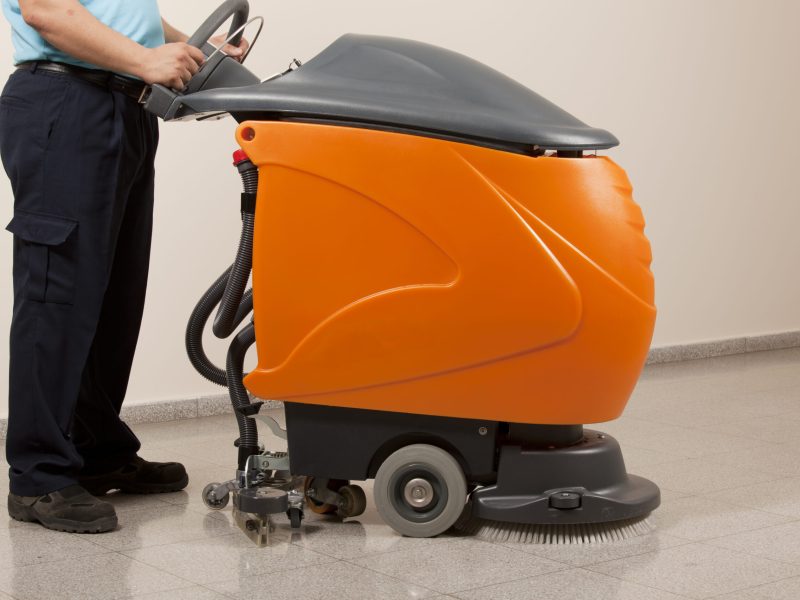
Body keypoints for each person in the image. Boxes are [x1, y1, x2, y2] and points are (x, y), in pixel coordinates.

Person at [0, 0, 247, 533]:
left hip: (126, 109)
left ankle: (96, 451)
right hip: (64, 101)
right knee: (56, 292)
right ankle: (38, 476)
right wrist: (145, 60)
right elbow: (49, 12)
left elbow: (127, 15)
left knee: (113, 293)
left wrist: (198, 52)